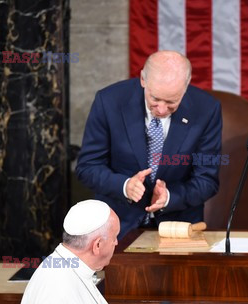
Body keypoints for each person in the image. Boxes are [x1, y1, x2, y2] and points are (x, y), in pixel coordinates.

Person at [76, 50, 222, 239]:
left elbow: (207, 180)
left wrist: (169, 197)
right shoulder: (110, 101)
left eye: (171, 102)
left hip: (177, 226)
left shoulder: (207, 109)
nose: (161, 109)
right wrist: (124, 185)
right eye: (154, 99)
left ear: (186, 87)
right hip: (119, 226)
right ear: (143, 80)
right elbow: (87, 167)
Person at [16, 199, 120, 304]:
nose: (116, 243)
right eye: (114, 237)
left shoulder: (68, 267)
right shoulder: (57, 290)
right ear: (97, 245)